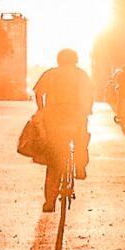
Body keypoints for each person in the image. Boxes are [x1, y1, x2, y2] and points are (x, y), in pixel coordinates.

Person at [32, 48, 93, 211]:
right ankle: (80, 166)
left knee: (54, 160)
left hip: (54, 119)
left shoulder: (50, 74)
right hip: (76, 117)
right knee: (81, 141)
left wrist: (41, 109)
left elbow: (38, 93)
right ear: (75, 59)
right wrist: (86, 110)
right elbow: (89, 95)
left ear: (59, 59)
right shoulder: (81, 75)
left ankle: (50, 202)